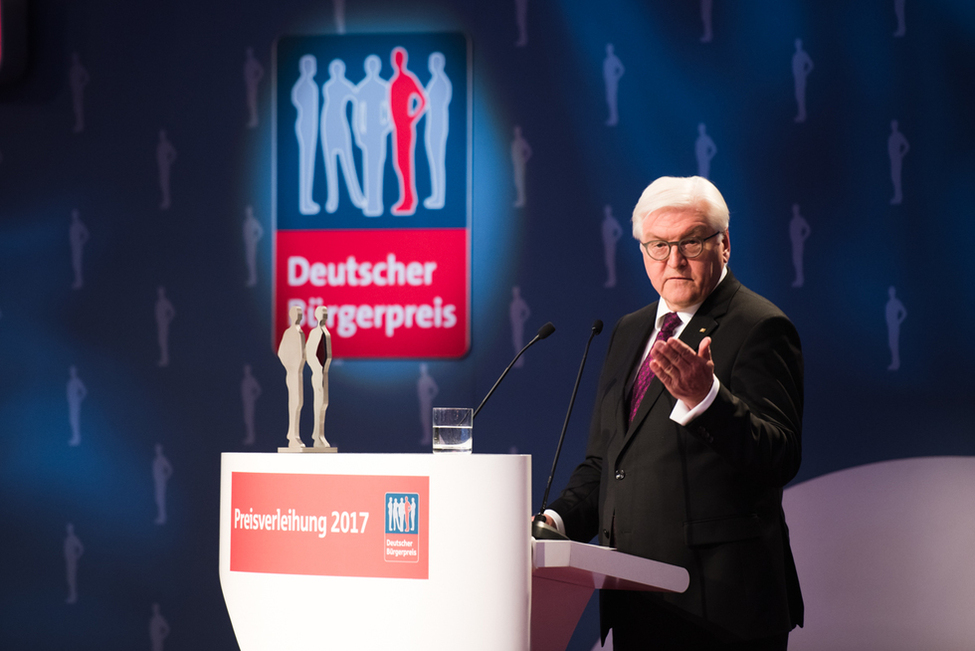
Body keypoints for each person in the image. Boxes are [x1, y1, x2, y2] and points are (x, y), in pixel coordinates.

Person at [543, 176, 804, 649]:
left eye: (692, 242)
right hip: (638, 601)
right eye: (659, 245)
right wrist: (555, 522)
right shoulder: (630, 330)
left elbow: (779, 456)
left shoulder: (760, 326)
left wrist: (707, 401)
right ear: (642, 250)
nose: (674, 260)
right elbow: (607, 463)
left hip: (723, 610)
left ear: (723, 245)